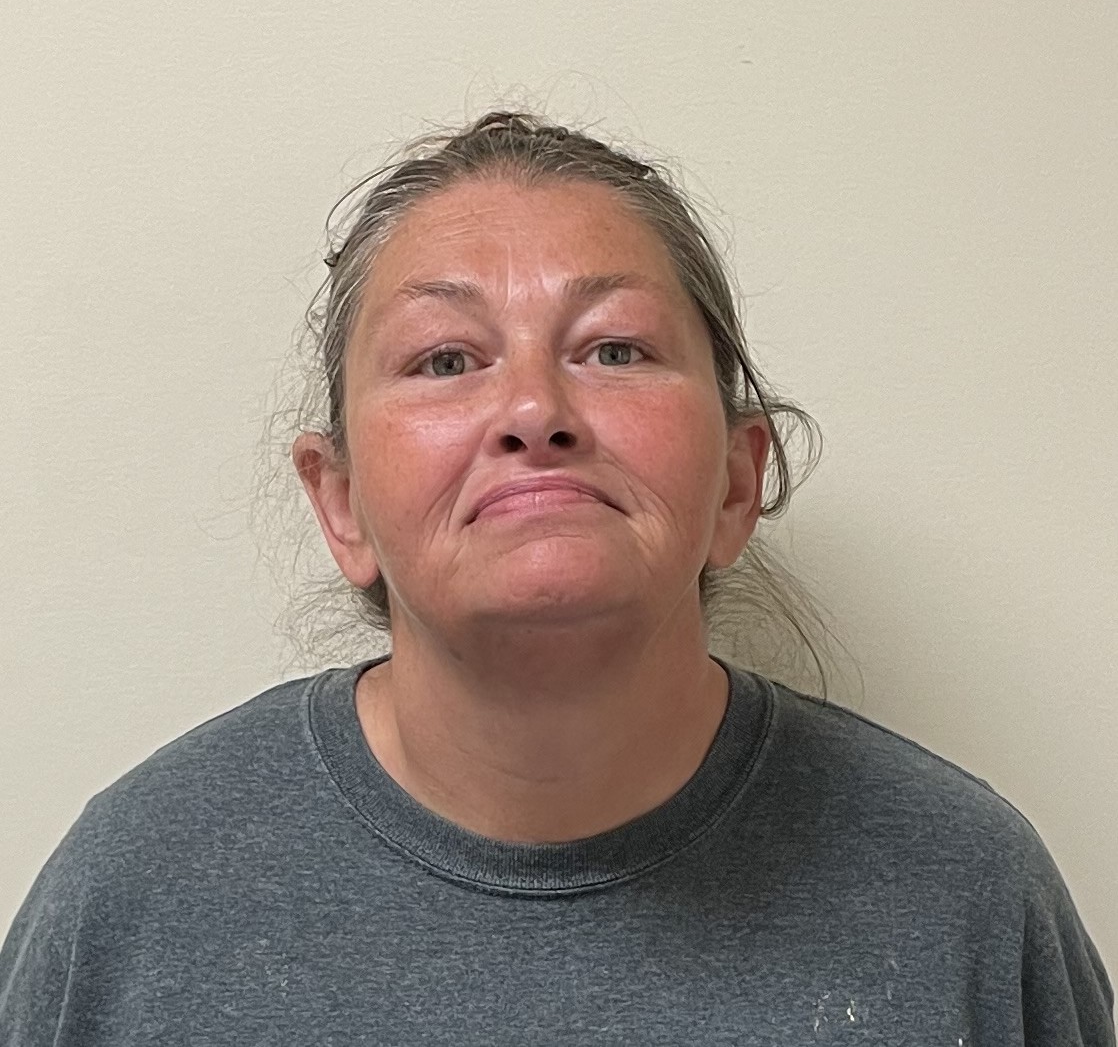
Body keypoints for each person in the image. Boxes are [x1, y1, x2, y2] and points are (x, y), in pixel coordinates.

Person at [1, 112, 1112, 1045]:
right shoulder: (135, 895)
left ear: (737, 481)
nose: (534, 410)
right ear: (339, 503)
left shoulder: (964, 892)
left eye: (613, 349)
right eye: (445, 358)